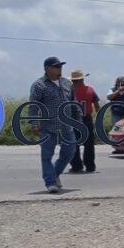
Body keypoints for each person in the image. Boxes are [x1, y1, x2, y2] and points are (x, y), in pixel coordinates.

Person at [29, 56, 78, 193]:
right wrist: (34, 124)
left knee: (69, 153)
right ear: (47, 68)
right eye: (56, 66)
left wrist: (78, 120)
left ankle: (54, 174)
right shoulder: (39, 85)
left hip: (67, 126)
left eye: (60, 66)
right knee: (46, 156)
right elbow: (33, 106)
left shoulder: (67, 84)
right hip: (47, 127)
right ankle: (50, 182)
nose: (59, 69)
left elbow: (74, 103)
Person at [68, 69, 100, 174]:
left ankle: (77, 166)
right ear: (82, 79)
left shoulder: (69, 91)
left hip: (73, 120)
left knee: (74, 143)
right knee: (89, 144)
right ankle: (90, 166)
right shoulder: (90, 90)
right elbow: (97, 106)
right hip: (86, 119)